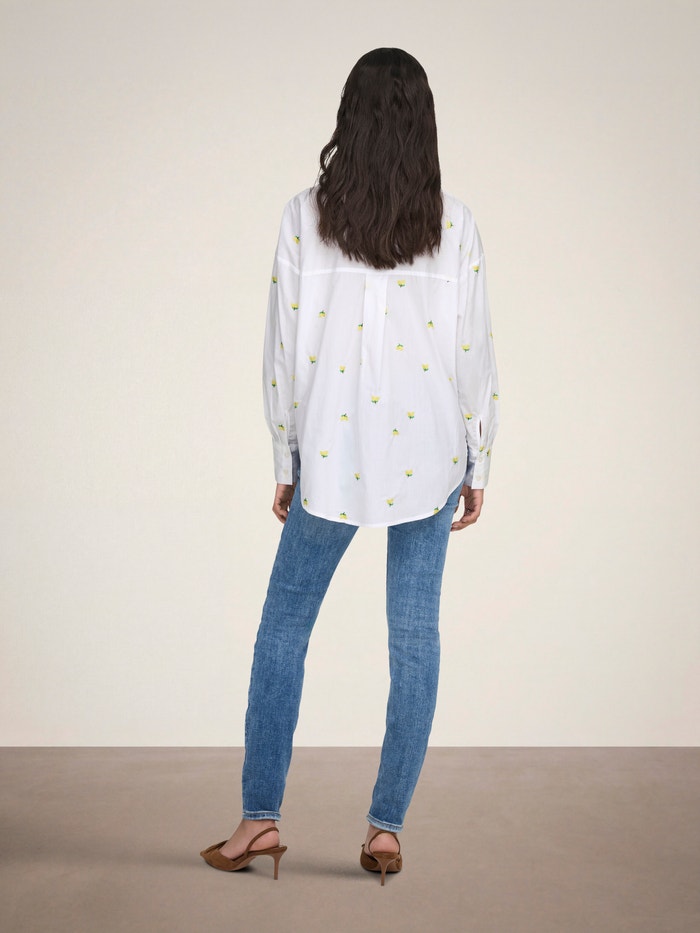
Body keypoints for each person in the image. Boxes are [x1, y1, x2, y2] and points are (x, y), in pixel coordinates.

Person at [200, 47, 500, 885]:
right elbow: (473, 351)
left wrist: (285, 452)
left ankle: (259, 820)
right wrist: (480, 457)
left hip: (331, 455)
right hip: (430, 456)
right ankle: (385, 831)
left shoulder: (304, 218)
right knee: (415, 639)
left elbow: (283, 349)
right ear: (424, 127)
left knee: (283, 628)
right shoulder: (455, 225)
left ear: (349, 121)